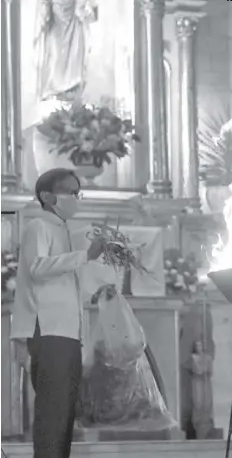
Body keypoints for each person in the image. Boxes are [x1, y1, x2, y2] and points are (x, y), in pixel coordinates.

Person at [11, 168, 106, 458]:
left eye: (79, 192)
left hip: (66, 333)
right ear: (47, 196)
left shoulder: (65, 231)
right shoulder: (38, 227)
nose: (76, 197)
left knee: (64, 416)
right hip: (48, 330)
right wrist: (84, 256)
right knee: (53, 415)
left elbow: (67, 284)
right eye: (70, 191)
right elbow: (38, 268)